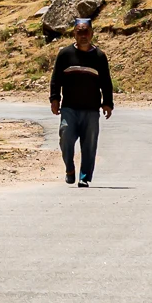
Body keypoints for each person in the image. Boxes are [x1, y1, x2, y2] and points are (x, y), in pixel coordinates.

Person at [47, 16, 114, 187]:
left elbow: (106, 81)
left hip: (91, 109)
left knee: (89, 144)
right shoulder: (65, 54)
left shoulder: (99, 56)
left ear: (92, 33)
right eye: (80, 32)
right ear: (74, 34)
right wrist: (54, 99)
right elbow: (56, 79)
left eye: (86, 32)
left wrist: (108, 103)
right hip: (69, 108)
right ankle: (69, 168)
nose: (83, 35)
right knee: (65, 137)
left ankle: (84, 176)